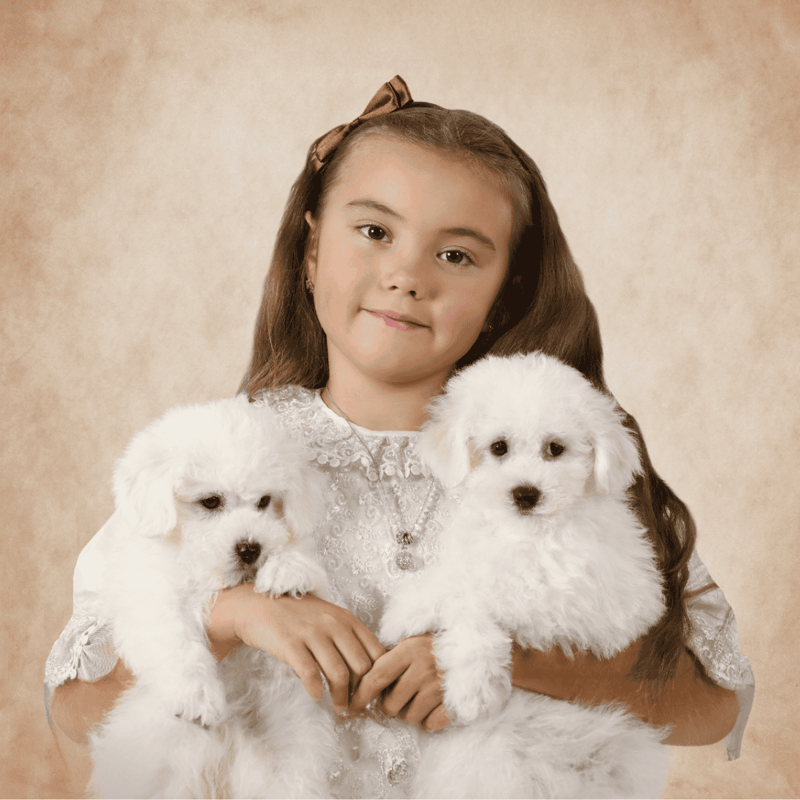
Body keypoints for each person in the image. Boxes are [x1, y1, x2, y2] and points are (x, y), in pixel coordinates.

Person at [46, 76, 754, 798]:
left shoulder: (554, 455)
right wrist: (231, 616)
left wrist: (510, 660)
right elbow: (77, 704)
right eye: (376, 231)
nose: (407, 276)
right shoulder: (228, 462)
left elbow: (713, 702)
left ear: (505, 291)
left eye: (457, 255)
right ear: (312, 251)